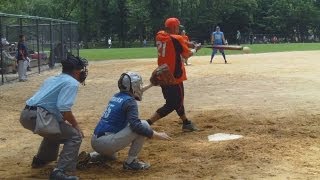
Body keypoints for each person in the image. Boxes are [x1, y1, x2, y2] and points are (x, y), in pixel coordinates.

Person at [77, 72, 171, 170]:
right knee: (143, 124)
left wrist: (151, 85)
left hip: (96, 141)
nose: (140, 86)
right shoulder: (130, 102)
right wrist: (156, 134)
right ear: (133, 86)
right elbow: (136, 126)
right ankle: (131, 162)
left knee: (112, 156)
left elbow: (135, 92)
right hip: (106, 143)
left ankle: (90, 156)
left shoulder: (117, 96)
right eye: (138, 84)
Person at [19, 54, 88, 180]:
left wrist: (63, 122)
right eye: (81, 69)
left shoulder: (52, 79)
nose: (82, 72)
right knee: (74, 136)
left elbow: (54, 108)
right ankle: (61, 172)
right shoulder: (71, 82)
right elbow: (64, 109)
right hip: (39, 116)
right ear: (76, 71)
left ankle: (41, 160)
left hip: (26, 114)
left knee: (56, 130)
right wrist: (75, 125)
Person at [146, 17, 200, 132]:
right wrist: (195, 49)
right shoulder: (177, 39)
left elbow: (173, 40)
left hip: (163, 74)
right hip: (174, 76)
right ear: (174, 27)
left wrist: (187, 43)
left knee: (177, 100)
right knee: (173, 103)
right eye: (177, 27)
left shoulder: (159, 35)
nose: (178, 30)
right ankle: (147, 123)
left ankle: (186, 122)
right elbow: (186, 55)